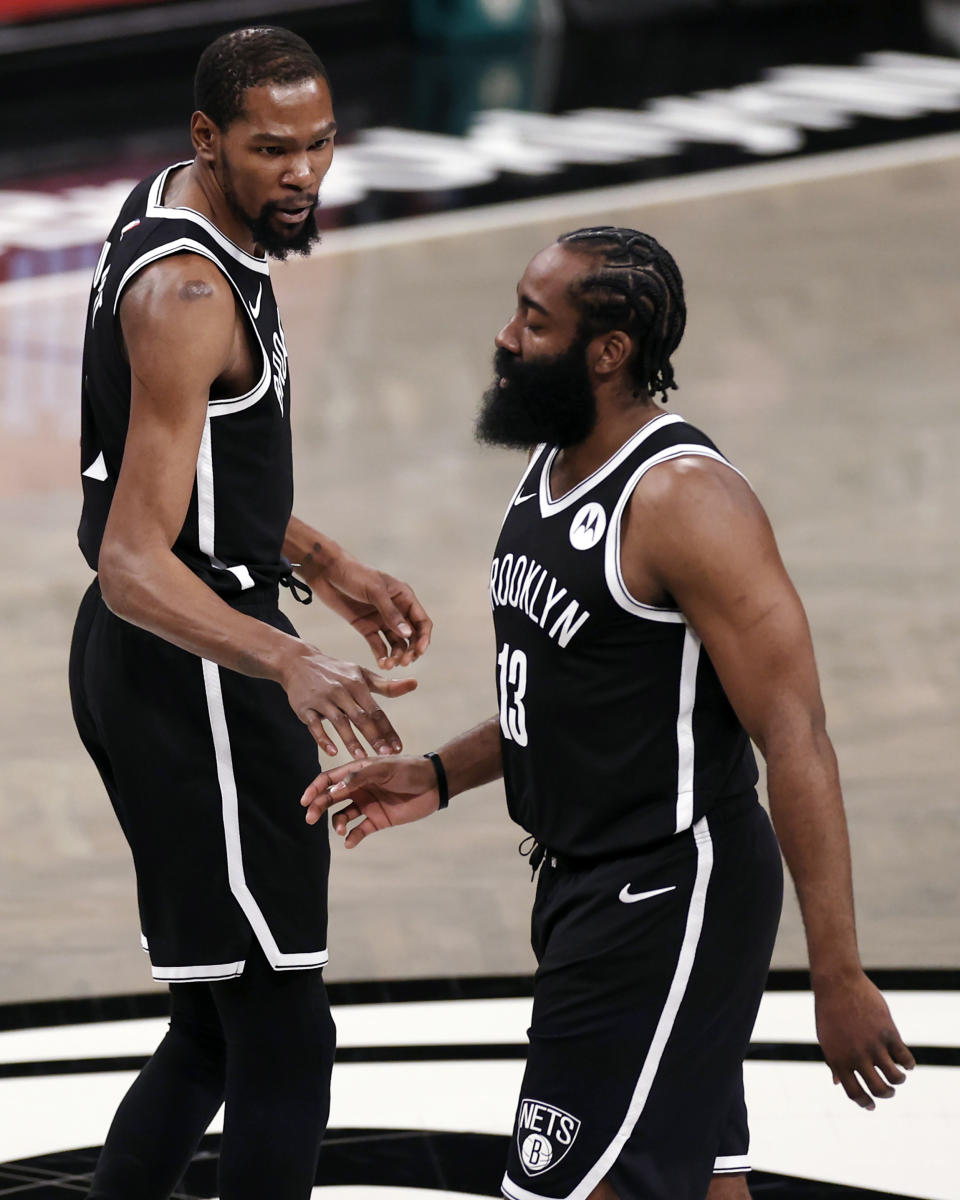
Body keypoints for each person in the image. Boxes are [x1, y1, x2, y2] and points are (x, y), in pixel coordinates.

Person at [300, 227, 915, 1200]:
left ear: (609, 349)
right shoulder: (551, 469)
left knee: (558, 1189)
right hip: (589, 885)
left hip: (667, 894)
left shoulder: (684, 501)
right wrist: (441, 773)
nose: (505, 337)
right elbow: (574, 696)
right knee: (708, 1188)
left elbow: (795, 735)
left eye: (533, 322)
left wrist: (836, 973)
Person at [68, 26, 431, 1200]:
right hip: (194, 669)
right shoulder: (186, 291)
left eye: (321, 142)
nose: (304, 173)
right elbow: (134, 555)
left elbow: (188, 475)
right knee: (284, 1035)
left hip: (163, 655)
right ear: (206, 139)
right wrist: (290, 660)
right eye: (273, 149)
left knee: (216, 1030)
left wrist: (326, 563)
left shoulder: (184, 210)